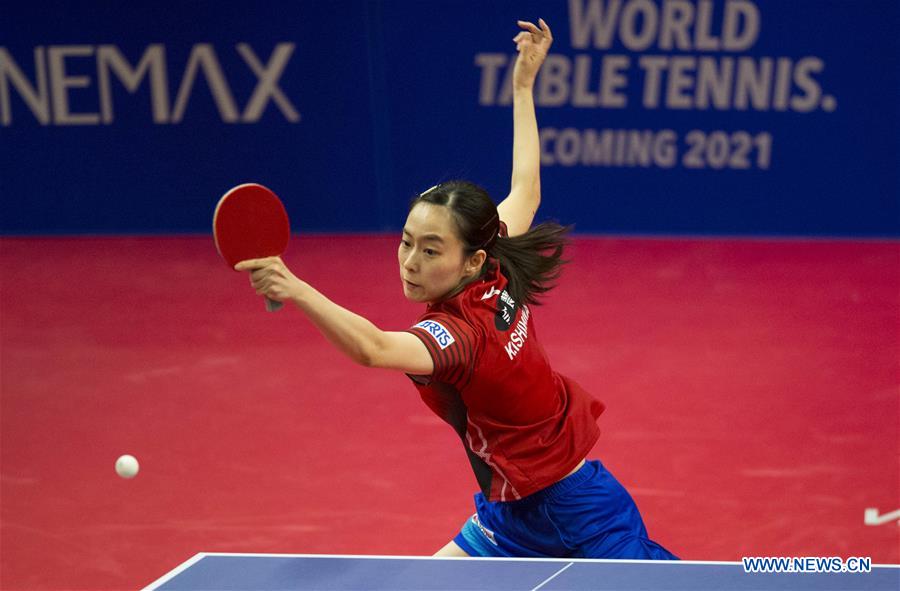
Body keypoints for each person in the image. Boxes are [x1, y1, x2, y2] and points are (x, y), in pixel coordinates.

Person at [236, 18, 676, 560]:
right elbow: (526, 189)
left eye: (430, 250)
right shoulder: (496, 262)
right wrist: (522, 88)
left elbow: (374, 348)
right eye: (405, 242)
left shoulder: (457, 336)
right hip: (510, 511)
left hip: (570, 512)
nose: (410, 263)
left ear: (470, 260)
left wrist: (296, 289)